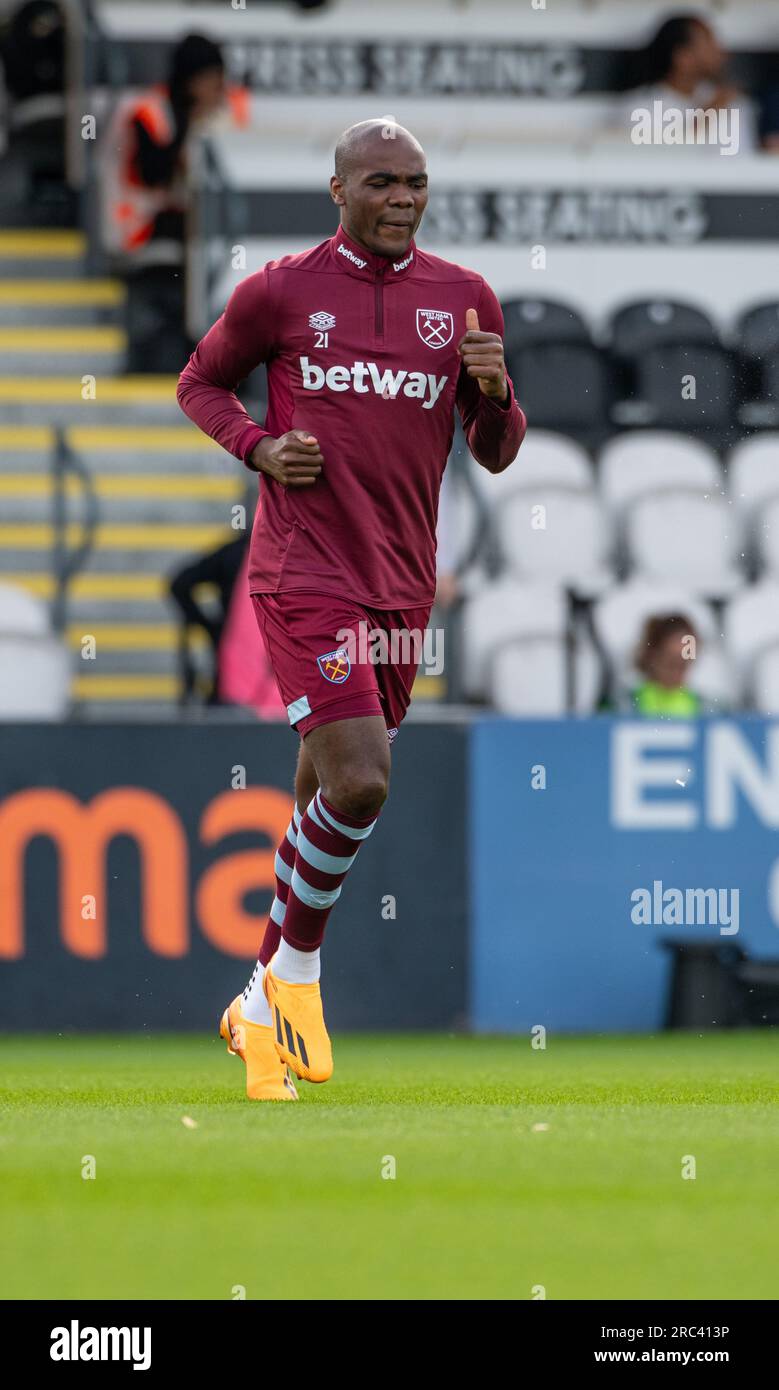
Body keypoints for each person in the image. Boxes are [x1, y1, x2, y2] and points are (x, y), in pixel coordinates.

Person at [177, 118, 526, 1101]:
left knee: (319, 791)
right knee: (363, 782)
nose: (403, 197)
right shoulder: (280, 292)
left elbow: (496, 449)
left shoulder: (461, 300)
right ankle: (291, 979)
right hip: (303, 572)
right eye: (382, 181)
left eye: (415, 181)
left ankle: (252, 1006)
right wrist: (256, 448)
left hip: (402, 582)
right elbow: (199, 380)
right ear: (337, 190)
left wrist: (494, 393)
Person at [100, 33, 249, 371]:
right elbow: (155, 175)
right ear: (193, 81)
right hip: (138, 225)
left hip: (181, 227)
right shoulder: (150, 112)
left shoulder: (212, 113)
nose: (219, 89)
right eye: (212, 80)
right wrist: (189, 124)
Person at [623, 14, 757, 153]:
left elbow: (744, 163)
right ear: (682, 56)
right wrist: (710, 112)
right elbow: (660, 160)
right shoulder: (640, 109)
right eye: (708, 43)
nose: (720, 52)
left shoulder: (734, 103)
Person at [625, 613, 709, 717]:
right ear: (652, 656)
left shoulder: (707, 708)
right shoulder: (625, 704)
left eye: (683, 665)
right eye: (671, 663)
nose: (676, 672)